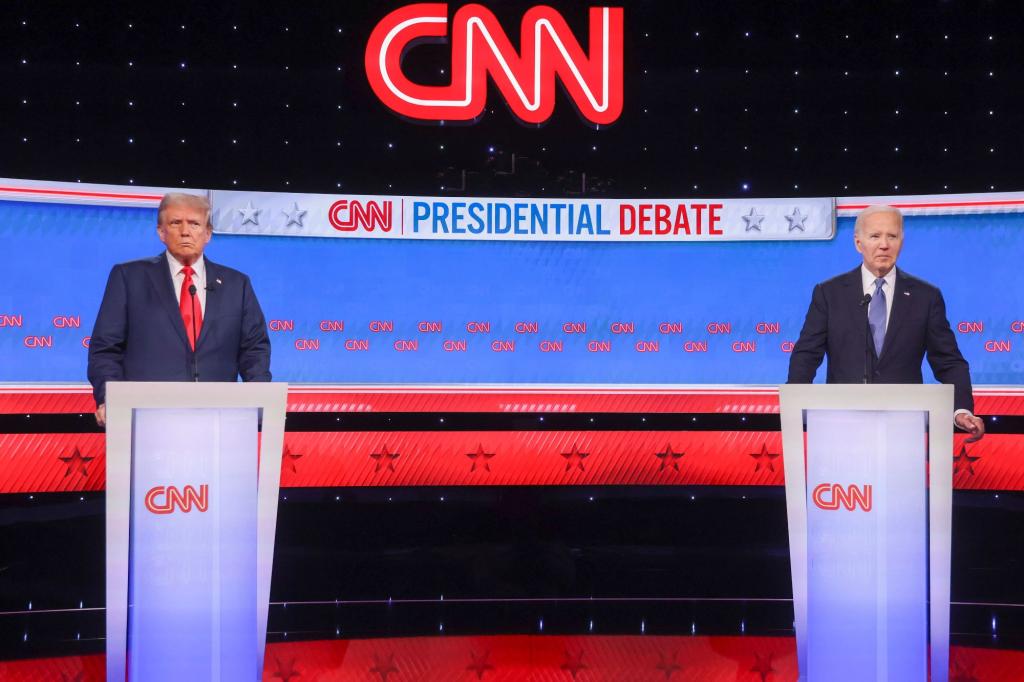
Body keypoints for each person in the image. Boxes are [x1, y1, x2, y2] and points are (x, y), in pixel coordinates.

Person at [787, 204, 984, 442]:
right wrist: (793, 404)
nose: (884, 244)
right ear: (858, 243)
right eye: (875, 236)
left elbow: (948, 360)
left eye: (892, 236)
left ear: (901, 241)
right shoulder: (829, 293)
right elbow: (807, 355)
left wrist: (962, 410)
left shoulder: (926, 296)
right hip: (842, 428)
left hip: (903, 430)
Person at [87, 192, 271, 426]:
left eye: (194, 224)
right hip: (147, 419)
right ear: (161, 232)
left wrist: (259, 396)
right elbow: (105, 349)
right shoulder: (129, 277)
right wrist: (110, 399)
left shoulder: (237, 284)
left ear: (208, 234)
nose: (185, 231)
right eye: (175, 223)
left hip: (219, 420)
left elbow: (254, 348)